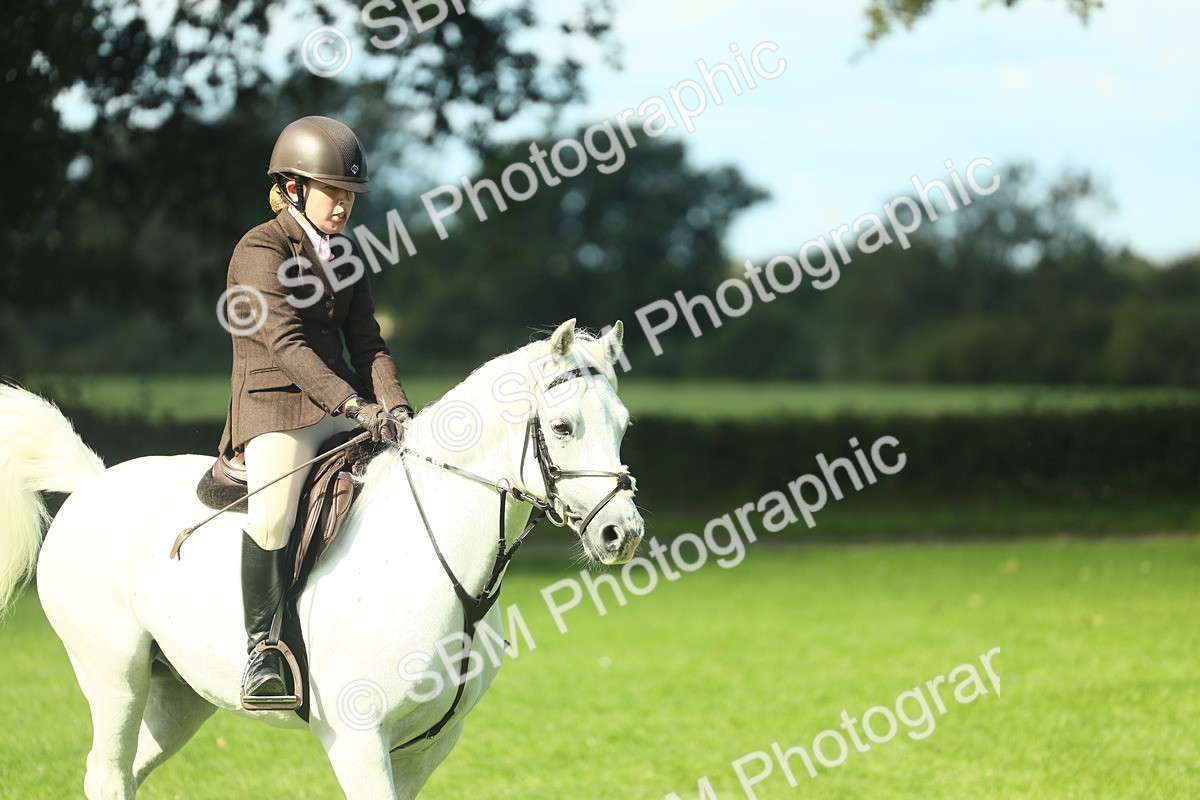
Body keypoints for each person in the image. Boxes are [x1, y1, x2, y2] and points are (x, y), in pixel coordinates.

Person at [217, 115, 412, 705]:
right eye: (334, 192)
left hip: (345, 403)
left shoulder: (347, 252)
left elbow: (369, 345)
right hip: (276, 406)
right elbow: (286, 343)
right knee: (273, 514)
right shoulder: (260, 247)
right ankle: (263, 653)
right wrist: (354, 404)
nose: (344, 205)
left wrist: (398, 408)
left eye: (351, 194)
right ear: (294, 188)